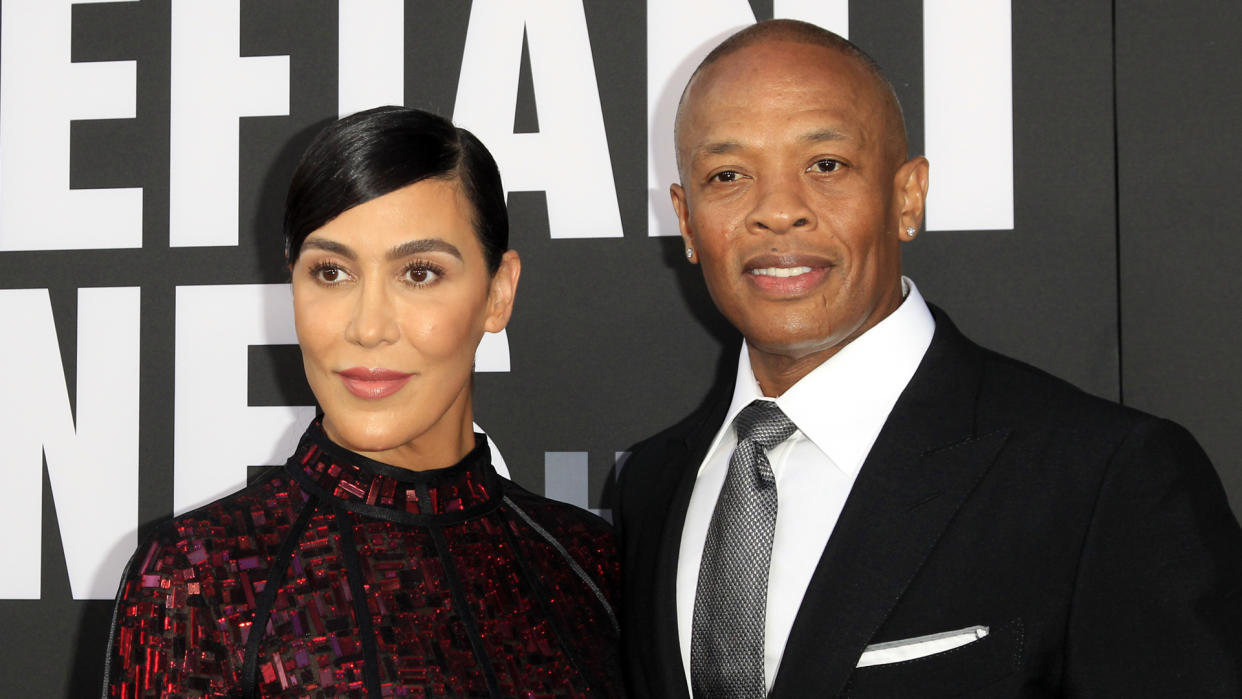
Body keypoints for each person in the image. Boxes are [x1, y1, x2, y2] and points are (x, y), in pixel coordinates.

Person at [617, 19, 1242, 698]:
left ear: (907, 196)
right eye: (728, 174)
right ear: (686, 220)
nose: (778, 212)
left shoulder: (1103, 479)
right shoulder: (652, 487)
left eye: (826, 166)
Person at [103, 106, 622, 698]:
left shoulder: (588, 562)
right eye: (331, 273)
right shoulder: (196, 578)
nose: (368, 327)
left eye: (420, 273)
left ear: (497, 294)